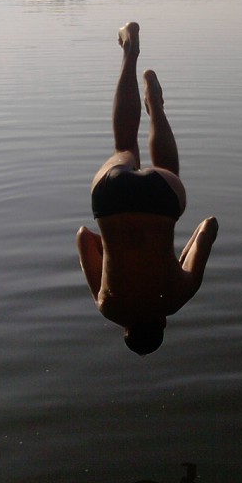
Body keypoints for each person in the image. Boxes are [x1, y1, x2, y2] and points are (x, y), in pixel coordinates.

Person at [77, 22, 219, 355]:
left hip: (161, 199)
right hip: (111, 199)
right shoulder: (107, 306)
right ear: (125, 327)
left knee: (168, 177)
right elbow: (84, 236)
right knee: (125, 146)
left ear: (163, 323)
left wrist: (180, 261)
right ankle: (130, 50)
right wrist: (113, 246)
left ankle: (155, 105)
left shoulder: (177, 297)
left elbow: (209, 227)